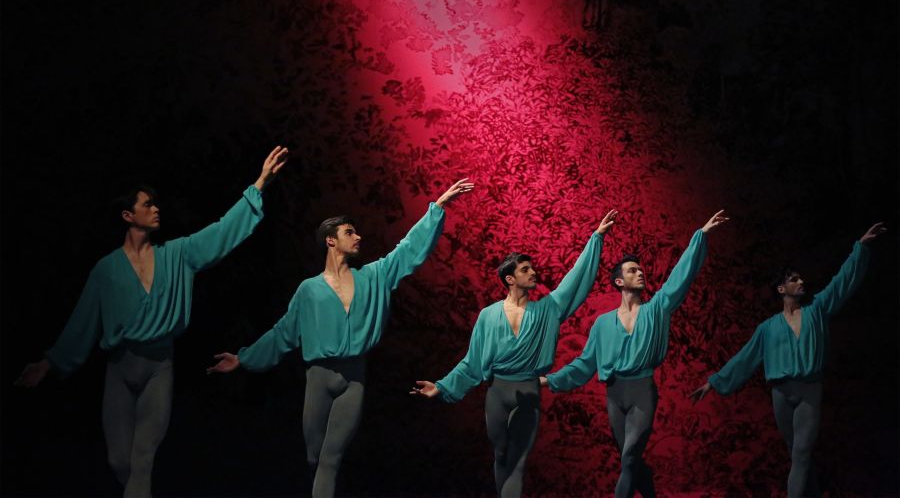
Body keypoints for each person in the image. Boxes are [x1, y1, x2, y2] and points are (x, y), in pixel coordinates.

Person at [15, 146, 289, 497]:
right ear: (128, 215)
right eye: (147, 205)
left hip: (159, 367)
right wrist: (48, 363)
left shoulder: (177, 254)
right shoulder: (106, 270)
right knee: (119, 461)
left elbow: (221, 232)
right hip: (120, 369)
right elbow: (83, 322)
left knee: (143, 458)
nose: (156, 208)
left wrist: (260, 184)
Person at [207, 178, 474, 498]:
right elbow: (284, 332)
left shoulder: (373, 277)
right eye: (350, 232)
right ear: (330, 241)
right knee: (314, 457)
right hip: (319, 379)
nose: (358, 236)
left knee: (330, 459)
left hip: (353, 379)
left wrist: (437, 208)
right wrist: (243, 358)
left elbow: (406, 251)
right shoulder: (309, 289)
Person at [411, 209, 619, 498]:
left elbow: (575, 280)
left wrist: (596, 238)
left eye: (531, 268)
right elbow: (473, 362)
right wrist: (441, 387)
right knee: (501, 456)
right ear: (510, 279)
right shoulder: (488, 315)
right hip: (497, 393)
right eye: (525, 270)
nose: (533, 272)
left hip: (527, 391)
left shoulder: (547, 310)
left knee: (518, 461)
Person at [690, 222, 887, 498]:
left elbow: (841, 283)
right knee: (797, 454)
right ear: (781, 289)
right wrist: (713, 382)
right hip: (781, 394)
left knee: (802, 453)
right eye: (794, 279)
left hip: (808, 391)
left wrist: (861, 247)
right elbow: (745, 358)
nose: (801, 281)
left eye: (800, 278)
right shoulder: (768, 327)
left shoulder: (816, 309)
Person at [541, 210, 729, 498]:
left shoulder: (657, 309)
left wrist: (700, 235)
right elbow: (585, 364)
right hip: (614, 395)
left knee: (629, 458)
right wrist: (548, 380)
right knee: (631, 462)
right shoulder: (602, 323)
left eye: (641, 270)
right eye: (632, 270)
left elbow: (680, 277)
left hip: (642, 391)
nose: (640, 273)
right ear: (619, 282)